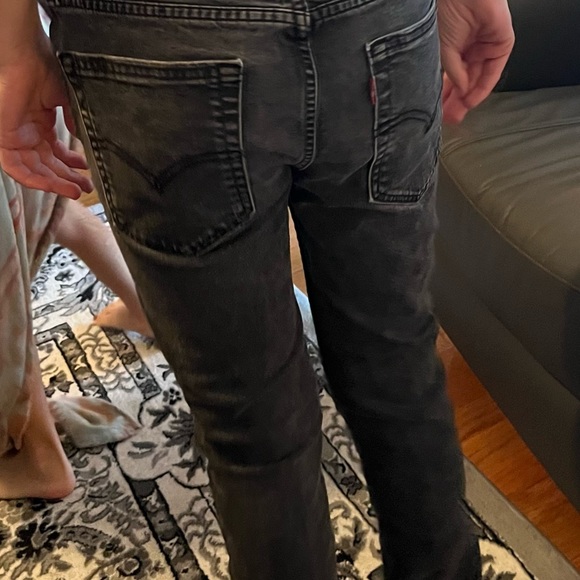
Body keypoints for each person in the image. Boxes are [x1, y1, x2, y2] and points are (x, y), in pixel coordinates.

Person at [0, 0, 514, 578]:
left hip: (154, 42)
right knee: (397, 364)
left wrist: (12, 39)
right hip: (377, 24)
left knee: (252, 418)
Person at [0, 106, 152, 500]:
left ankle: (39, 456)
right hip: (20, 103)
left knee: (6, 289)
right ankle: (146, 308)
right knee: (50, 203)